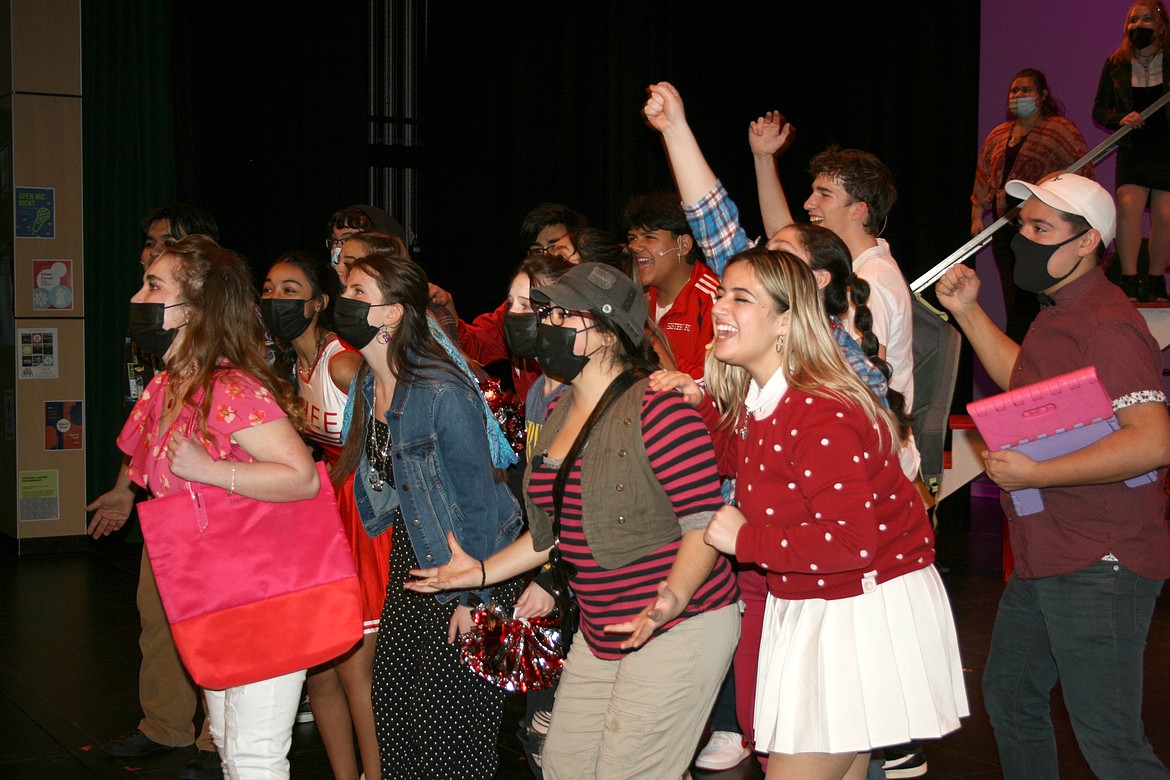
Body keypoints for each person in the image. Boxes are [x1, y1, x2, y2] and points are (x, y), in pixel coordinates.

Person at [406, 261, 741, 780]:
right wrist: (476, 573)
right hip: (603, 625)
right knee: (563, 766)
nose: (545, 324)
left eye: (562, 313)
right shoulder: (560, 409)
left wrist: (671, 597)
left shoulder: (659, 407)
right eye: (546, 311)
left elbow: (705, 523)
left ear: (607, 332)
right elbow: (553, 534)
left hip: (678, 623)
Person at [697, 248, 967, 780]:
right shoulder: (768, 398)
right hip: (824, 600)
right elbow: (741, 461)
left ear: (786, 321)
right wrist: (698, 400)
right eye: (722, 293)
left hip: (860, 609)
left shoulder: (818, 411)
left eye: (741, 297)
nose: (720, 307)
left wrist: (745, 540)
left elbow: (850, 544)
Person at [936, 173, 1170, 779]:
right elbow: (1031, 385)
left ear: (1089, 241)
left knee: (1112, 743)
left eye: (1042, 230)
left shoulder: (1107, 324)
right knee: (1011, 701)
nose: (1024, 243)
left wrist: (1039, 470)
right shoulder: (1061, 312)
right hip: (1055, 550)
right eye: (1023, 228)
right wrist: (966, 311)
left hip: (1100, 557)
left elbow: (1153, 439)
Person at [112, 235, 321, 777]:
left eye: (154, 285)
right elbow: (149, 477)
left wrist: (209, 471)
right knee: (232, 746)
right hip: (207, 589)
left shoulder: (227, 386)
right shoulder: (168, 383)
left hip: (256, 591)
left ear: (195, 307)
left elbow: (301, 478)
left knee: (253, 755)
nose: (139, 297)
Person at [331, 249, 524, 780]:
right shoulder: (370, 385)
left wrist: (475, 599)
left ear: (392, 313)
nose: (343, 301)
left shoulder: (441, 390)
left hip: (469, 564)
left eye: (357, 294)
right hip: (414, 562)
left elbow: (481, 503)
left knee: (450, 728)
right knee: (393, 711)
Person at [89, 204, 225, 780]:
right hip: (166, 507)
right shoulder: (157, 335)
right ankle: (166, 726)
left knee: (216, 625)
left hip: (218, 515)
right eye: (147, 246)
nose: (148, 257)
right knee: (158, 617)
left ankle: (219, 739)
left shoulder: (228, 349)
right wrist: (125, 489)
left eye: (162, 249)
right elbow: (149, 421)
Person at [260, 251, 385, 780]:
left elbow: (386, 441)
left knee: (358, 673)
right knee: (319, 673)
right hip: (324, 513)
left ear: (319, 303)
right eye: (268, 288)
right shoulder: (288, 366)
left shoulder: (342, 361)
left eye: (291, 290)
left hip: (361, 513)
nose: (276, 299)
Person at [972, 69, 1090, 339]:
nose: (1019, 96)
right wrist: (977, 216)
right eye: (1014, 91)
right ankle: (1019, 346)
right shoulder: (999, 135)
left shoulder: (1060, 129)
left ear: (1042, 95)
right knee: (1014, 294)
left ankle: (1040, 343)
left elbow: (1082, 168)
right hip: (1006, 226)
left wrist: (1051, 183)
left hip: (1042, 227)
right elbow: (983, 177)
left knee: (1033, 293)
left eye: (1026, 90)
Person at [1094, 1, 1170, 302]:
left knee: (1166, 215)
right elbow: (1100, 109)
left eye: (1146, 19)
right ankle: (1128, 279)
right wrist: (1119, 119)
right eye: (1133, 20)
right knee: (1127, 207)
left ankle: (1154, 280)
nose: (1139, 25)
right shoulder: (1116, 63)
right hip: (1134, 148)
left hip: (1166, 149)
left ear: (1161, 24)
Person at [624, 191, 719, 380]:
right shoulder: (636, 297)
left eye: (649, 237)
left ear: (683, 245)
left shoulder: (714, 299)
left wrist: (650, 340)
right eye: (632, 238)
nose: (635, 246)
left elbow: (713, 387)